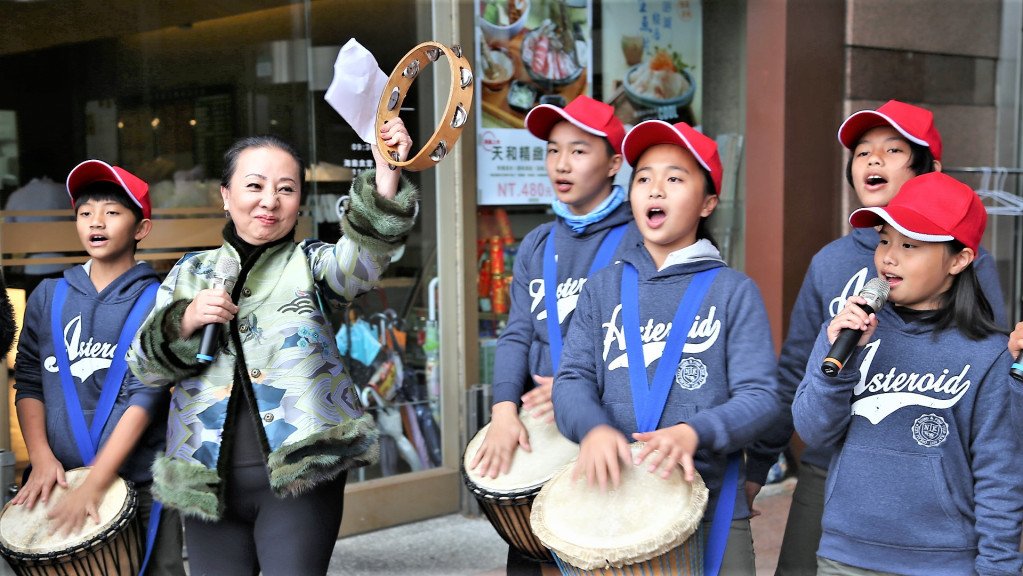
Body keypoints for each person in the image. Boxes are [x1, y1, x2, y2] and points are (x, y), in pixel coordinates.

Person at [125, 122, 417, 576]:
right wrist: (186, 318)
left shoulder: (313, 263)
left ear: (299, 201)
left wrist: (386, 172)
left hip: (300, 474)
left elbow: (361, 263)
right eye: (254, 186)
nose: (269, 201)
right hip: (207, 484)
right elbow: (145, 370)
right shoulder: (189, 272)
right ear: (225, 195)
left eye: (286, 188)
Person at [767, 100, 1008, 576]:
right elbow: (804, 398)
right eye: (884, 240)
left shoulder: (984, 341)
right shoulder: (840, 296)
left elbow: (998, 462)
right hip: (845, 521)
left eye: (893, 149)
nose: (890, 258)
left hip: (939, 545)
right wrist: (838, 362)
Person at [551, 120, 783, 574]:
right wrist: (593, 428)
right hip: (615, 505)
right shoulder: (603, 288)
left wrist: (695, 432)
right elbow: (572, 380)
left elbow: (762, 399)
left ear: (708, 202)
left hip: (714, 506)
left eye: (674, 178)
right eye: (643, 178)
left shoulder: (734, 291)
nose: (655, 187)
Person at [467, 95, 640, 574]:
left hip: (605, 429)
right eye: (552, 149)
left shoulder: (638, 241)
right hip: (540, 424)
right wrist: (504, 411)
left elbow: (646, 342)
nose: (561, 164)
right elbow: (516, 333)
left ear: (614, 163)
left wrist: (574, 392)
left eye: (579, 151)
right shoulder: (539, 242)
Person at [11, 160, 185, 575]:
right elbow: (30, 381)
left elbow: (145, 395)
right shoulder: (47, 296)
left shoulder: (158, 301)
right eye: (85, 213)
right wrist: (40, 457)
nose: (97, 221)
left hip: (142, 485)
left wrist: (95, 482)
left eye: (112, 211)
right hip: (58, 481)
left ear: (141, 228)